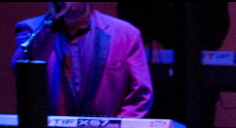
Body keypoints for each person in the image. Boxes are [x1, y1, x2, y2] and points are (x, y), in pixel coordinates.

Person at [11, 2, 153, 118]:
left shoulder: (126, 34)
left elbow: (141, 95)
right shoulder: (31, 29)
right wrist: (49, 26)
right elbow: (20, 71)